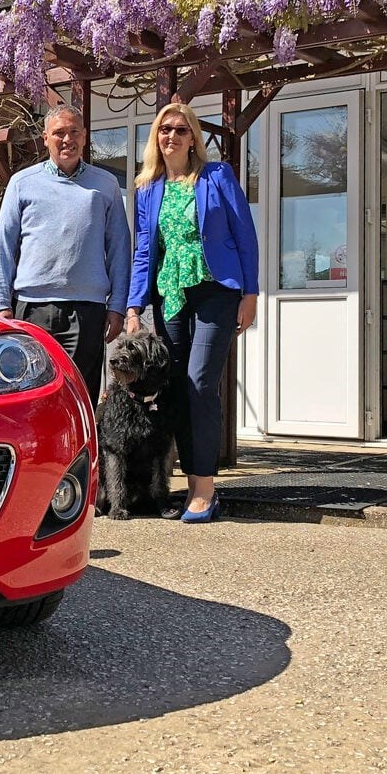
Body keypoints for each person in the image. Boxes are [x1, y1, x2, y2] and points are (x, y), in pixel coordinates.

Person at [126, 102, 258, 523]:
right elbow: (144, 250)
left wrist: (251, 293)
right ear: (156, 136)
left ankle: (204, 488)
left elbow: (245, 235)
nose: (172, 136)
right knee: (177, 388)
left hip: (216, 290)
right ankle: (187, 481)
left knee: (200, 383)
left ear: (193, 138)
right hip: (171, 296)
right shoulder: (147, 188)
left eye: (181, 130)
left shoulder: (217, 176)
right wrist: (134, 306)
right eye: (165, 129)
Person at [0, 103, 132, 401]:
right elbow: (3, 245)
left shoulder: (105, 184)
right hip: (32, 308)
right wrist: (1, 304)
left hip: (87, 310)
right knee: (31, 396)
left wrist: (118, 305)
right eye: (59, 133)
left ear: (85, 136)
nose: (67, 139)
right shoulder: (22, 183)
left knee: (80, 396)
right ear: (45, 138)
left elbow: (119, 247)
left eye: (74, 132)